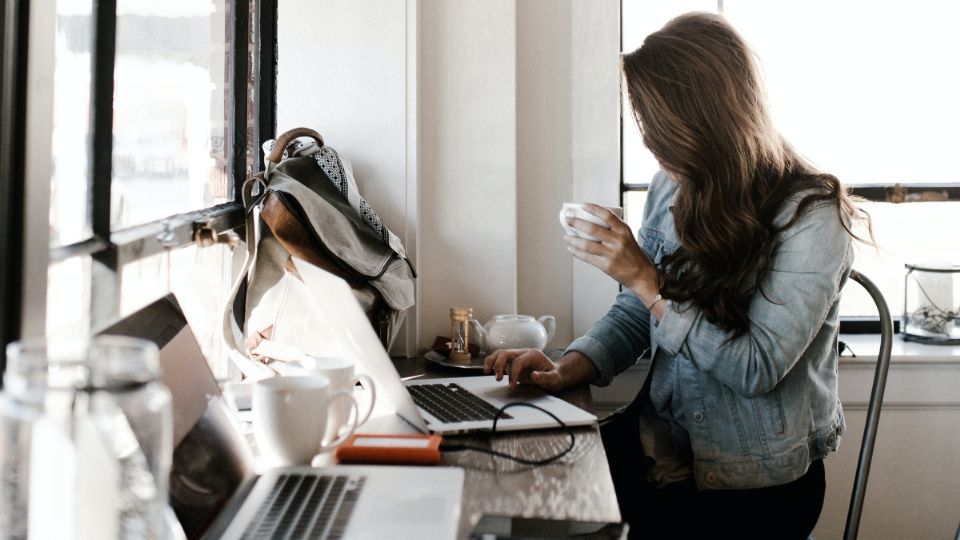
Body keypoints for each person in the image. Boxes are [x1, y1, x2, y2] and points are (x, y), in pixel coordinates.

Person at [484, 12, 871, 539]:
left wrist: (646, 279)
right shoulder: (673, 186)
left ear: (710, 119)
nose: (651, 146)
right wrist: (567, 366)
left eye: (659, 128)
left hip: (754, 486)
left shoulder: (813, 218)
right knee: (520, 486)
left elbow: (755, 368)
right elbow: (635, 310)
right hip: (661, 445)